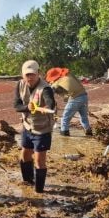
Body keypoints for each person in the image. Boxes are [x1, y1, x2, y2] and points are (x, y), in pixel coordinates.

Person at [14, 60, 56, 192]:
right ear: (22, 75)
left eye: (33, 74)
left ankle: (39, 191)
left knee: (39, 161)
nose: (30, 77)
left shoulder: (45, 88)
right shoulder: (20, 85)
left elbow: (51, 103)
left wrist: (46, 108)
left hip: (42, 129)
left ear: (39, 73)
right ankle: (27, 182)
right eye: (27, 75)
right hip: (27, 126)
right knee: (25, 155)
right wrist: (27, 107)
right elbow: (17, 106)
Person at [45, 67, 92, 136]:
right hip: (84, 96)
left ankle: (64, 135)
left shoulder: (57, 82)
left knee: (65, 118)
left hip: (76, 98)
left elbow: (49, 94)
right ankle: (88, 132)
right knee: (84, 117)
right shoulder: (68, 75)